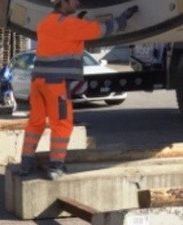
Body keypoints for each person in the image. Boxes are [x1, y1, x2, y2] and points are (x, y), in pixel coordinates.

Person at [17, 0, 138, 180]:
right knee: (62, 124)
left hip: (37, 82)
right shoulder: (70, 25)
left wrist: (80, 22)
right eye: (74, 0)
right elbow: (100, 30)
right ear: (64, 2)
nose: (77, 2)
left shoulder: (44, 23)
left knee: (35, 123)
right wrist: (122, 19)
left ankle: (25, 164)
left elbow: (61, 41)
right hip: (55, 84)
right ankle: (56, 166)